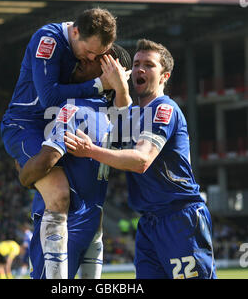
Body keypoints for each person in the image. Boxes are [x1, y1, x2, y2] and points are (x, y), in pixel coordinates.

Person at [65, 39, 217, 279]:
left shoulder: (164, 109)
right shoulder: (137, 114)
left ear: (165, 76)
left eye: (149, 65)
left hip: (179, 218)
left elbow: (142, 160)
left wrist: (90, 150)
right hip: (148, 224)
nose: (140, 69)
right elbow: (120, 115)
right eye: (136, 64)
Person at [0, 8, 117, 279]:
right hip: (25, 125)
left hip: (55, 126)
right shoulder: (48, 40)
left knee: (79, 201)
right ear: (75, 32)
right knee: (59, 193)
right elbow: (50, 97)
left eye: (98, 55)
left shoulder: (82, 46)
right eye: (89, 52)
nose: (91, 59)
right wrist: (99, 85)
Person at [16, 44, 132, 279]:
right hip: (92, 222)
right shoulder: (117, 119)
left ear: (108, 71)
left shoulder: (74, 108)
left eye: (94, 59)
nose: (82, 59)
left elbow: (48, 160)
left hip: (62, 224)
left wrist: (24, 175)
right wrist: (121, 87)